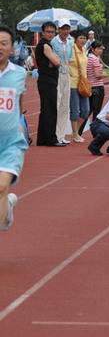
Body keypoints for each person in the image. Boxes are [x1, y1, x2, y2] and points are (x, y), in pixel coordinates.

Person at [0, 25, 28, 231]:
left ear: (12, 48)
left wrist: (19, 123)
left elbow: (19, 100)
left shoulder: (19, 73)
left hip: (10, 142)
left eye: (3, 43)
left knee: (1, 187)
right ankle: (7, 206)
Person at [36, 21, 64, 147]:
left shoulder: (46, 45)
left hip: (46, 80)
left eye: (52, 32)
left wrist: (55, 60)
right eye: (47, 31)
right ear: (42, 32)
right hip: (48, 81)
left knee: (46, 110)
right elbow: (58, 62)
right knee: (50, 110)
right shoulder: (45, 46)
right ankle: (51, 139)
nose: (50, 34)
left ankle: (42, 139)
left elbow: (57, 61)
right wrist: (55, 60)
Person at [51, 18, 74, 144]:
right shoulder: (54, 42)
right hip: (57, 74)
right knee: (57, 103)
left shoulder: (70, 42)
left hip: (67, 74)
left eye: (68, 29)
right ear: (58, 29)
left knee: (65, 105)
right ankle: (54, 133)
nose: (66, 31)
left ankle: (61, 135)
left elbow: (69, 58)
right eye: (63, 29)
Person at [67, 30, 90, 143]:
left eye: (85, 38)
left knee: (86, 111)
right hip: (73, 83)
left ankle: (74, 132)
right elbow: (65, 62)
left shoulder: (84, 50)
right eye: (80, 38)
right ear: (75, 39)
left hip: (83, 83)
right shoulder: (71, 49)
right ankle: (75, 133)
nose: (83, 40)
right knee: (75, 110)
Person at [82, 41, 108, 134]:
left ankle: (79, 131)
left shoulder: (88, 58)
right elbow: (97, 75)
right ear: (92, 49)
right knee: (96, 111)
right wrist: (104, 74)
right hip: (97, 87)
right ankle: (95, 131)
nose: (100, 51)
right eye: (98, 49)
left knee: (88, 111)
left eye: (101, 49)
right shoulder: (95, 59)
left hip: (90, 87)